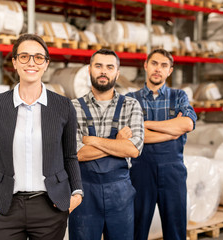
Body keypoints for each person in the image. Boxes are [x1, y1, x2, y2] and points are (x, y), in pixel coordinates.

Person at [0, 33, 83, 240]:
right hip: (4, 207)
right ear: (14, 62)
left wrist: (77, 192)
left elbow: (70, 155)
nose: (31, 62)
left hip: (50, 206)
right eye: (24, 56)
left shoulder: (63, 106)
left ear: (46, 64)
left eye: (38, 57)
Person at [69, 49, 144, 240]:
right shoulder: (72, 107)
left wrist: (91, 140)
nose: (104, 71)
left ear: (117, 73)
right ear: (89, 70)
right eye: (98, 66)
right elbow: (77, 154)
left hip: (120, 194)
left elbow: (133, 149)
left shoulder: (131, 105)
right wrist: (117, 143)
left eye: (110, 67)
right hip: (83, 194)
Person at [126, 48, 197, 240]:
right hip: (140, 172)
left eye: (164, 65)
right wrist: (172, 130)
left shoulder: (179, 96)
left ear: (170, 70)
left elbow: (187, 123)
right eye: (154, 63)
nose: (158, 69)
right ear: (146, 66)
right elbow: (132, 135)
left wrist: (146, 125)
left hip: (173, 172)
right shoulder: (131, 99)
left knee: (175, 230)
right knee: (136, 229)